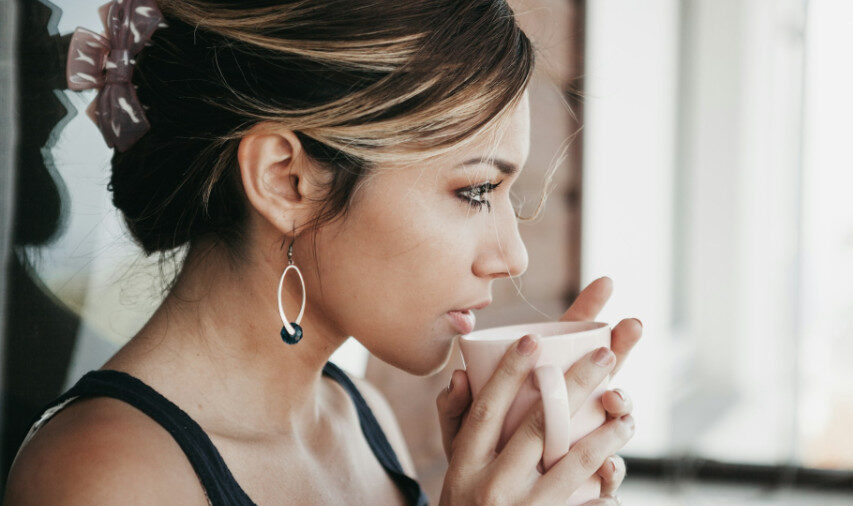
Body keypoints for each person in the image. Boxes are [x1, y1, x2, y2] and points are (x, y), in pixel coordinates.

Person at [3, 0, 643, 504]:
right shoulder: (107, 477)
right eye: (475, 191)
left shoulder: (361, 419)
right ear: (285, 181)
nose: (514, 257)